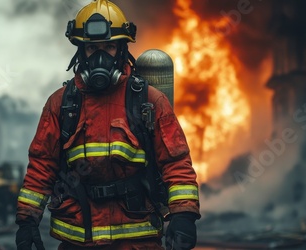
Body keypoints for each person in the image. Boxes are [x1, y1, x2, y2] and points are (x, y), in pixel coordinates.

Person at [15, 1, 200, 249]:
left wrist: (184, 215)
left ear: (122, 49)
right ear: (81, 52)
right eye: (93, 48)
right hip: (78, 239)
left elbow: (175, 162)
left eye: (109, 47)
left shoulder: (149, 100)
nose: (101, 56)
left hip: (136, 239)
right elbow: (41, 165)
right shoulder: (61, 104)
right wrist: (27, 221)